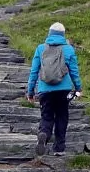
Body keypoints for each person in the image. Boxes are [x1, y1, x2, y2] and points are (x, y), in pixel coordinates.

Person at [26, 22, 83, 156]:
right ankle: (59, 148)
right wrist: (79, 88)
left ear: (49, 33)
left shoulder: (40, 48)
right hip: (64, 90)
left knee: (47, 116)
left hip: (45, 90)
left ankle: (44, 134)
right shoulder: (68, 49)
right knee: (62, 116)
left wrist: (30, 91)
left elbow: (34, 71)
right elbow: (74, 71)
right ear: (63, 35)